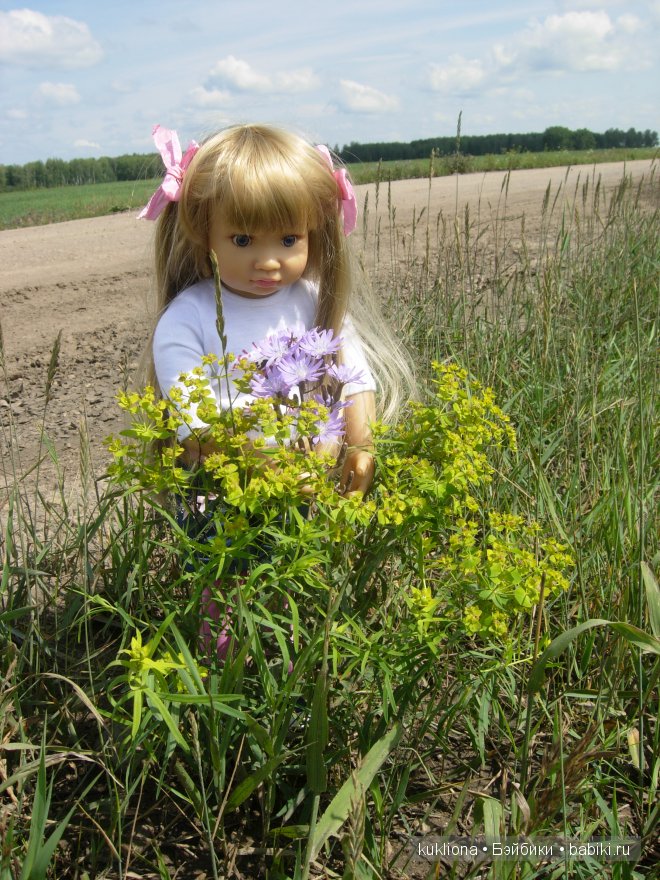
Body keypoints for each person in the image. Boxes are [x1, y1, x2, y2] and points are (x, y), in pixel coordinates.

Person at [139, 122, 413, 656]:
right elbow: (201, 414)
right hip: (225, 494)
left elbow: (353, 376)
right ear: (203, 233)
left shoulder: (314, 299)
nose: (268, 261)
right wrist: (273, 461)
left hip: (313, 485)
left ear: (315, 231)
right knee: (226, 582)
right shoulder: (188, 318)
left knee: (301, 585)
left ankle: (300, 662)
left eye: (289, 240)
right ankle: (226, 673)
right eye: (243, 240)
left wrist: (360, 443)